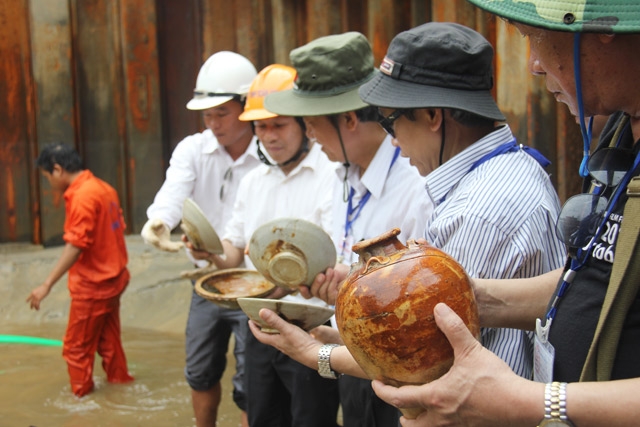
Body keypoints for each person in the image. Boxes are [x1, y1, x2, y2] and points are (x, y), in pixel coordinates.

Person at [250, 21, 566, 403]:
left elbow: (426, 360)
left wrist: (311, 352)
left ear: (433, 116)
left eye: (391, 120)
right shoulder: (511, 169)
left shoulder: (472, 212)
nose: (394, 141)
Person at [364, 2, 640, 426]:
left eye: (535, 36)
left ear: (603, 28)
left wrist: (536, 402)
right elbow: (594, 279)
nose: (532, 64)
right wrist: (467, 296)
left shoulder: (481, 208)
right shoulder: (621, 136)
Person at [263, 31, 433, 427]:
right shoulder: (340, 174)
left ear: (350, 119)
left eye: (311, 124)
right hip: (350, 350)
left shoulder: (415, 184)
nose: (310, 136)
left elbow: (420, 298)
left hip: (400, 367)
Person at [193, 63, 341, 427]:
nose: (270, 136)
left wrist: (284, 280)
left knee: (312, 419)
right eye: (261, 126)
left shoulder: (332, 176)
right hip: (260, 324)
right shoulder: (254, 182)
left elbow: (335, 261)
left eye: (279, 124)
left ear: (305, 124)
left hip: (312, 326)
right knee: (260, 417)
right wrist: (208, 251)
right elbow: (232, 254)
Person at [141, 51, 259, 427]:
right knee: (199, 369)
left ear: (247, 105)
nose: (213, 123)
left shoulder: (271, 154)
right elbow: (173, 193)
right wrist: (159, 222)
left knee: (253, 380)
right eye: (206, 115)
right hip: (205, 280)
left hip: (255, 285)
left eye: (221, 113)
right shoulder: (194, 149)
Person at [27, 142, 134, 397]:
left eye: (46, 177)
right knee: (109, 343)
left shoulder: (82, 195)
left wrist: (46, 285)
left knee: (76, 349)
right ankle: (121, 386)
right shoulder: (103, 187)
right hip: (114, 279)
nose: (48, 184)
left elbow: (76, 245)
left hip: (94, 286)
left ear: (57, 170)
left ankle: (81, 402)